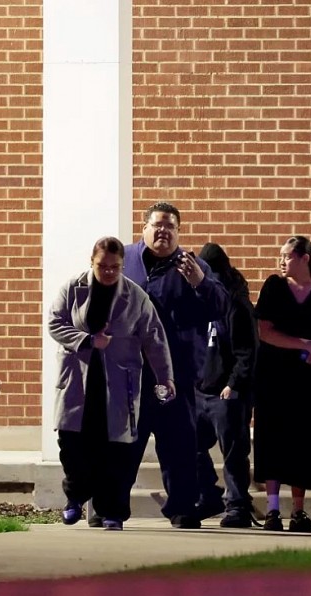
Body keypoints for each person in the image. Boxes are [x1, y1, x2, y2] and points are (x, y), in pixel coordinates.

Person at [49, 237, 175, 531]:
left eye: (114, 267)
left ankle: (112, 512)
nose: (108, 272)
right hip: (78, 381)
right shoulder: (72, 289)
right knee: (72, 446)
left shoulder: (136, 296)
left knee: (116, 452)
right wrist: (88, 341)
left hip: (118, 383)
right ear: (91, 261)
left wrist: (165, 376)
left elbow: (154, 337)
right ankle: (75, 498)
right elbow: (55, 323)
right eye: (102, 266)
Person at [122, 201, 230, 529]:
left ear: (178, 233)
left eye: (170, 227)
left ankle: (182, 508)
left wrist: (200, 282)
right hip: (132, 374)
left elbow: (221, 307)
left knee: (180, 447)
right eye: (157, 225)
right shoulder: (125, 260)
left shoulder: (192, 266)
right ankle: (110, 507)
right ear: (144, 228)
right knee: (125, 445)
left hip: (177, 375)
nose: (163, 232)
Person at [254, 235, 311, 532]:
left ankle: (299, 511)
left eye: (288, 255)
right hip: (275, 375)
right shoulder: (274, 287)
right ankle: (273, 509)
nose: (282, 260)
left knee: (304, 440)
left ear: (305, 258)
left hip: (307, 378)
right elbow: (265, 332)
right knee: (273, 437)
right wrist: (304, 343)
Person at [193, 242, 258, 528]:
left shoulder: (236, 304)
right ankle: (208, 495)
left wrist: (234, 384)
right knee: (189, 446)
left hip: (226, 392)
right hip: (200, 389)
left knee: (233, 453)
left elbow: (247, 351)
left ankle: (238, 506)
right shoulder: (198, 301)